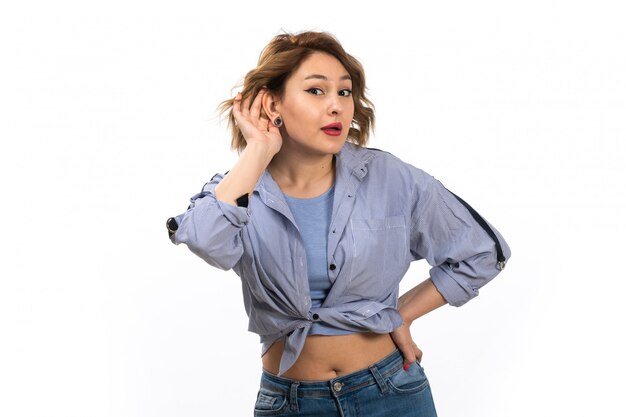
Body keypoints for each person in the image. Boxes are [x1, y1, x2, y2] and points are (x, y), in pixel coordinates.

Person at [166, 30, 511, 417]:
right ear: (272, 102)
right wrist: (258, 151)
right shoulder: (238, 189)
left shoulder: (390, 178)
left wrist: (402, 312)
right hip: (290, 403)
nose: (336, 107)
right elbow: (204, 240)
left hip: (392, 392)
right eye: (316, 91)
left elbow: (482, 252)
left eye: (344, 92)